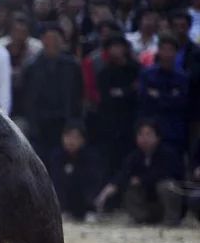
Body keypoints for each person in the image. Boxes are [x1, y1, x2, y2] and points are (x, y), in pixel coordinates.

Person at [95, 120, 185, 225]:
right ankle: (142, 218)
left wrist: (142, 179)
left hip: (167, 202)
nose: (144, 138)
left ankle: (171, 221)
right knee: (128, 186)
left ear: (158, 137)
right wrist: (107, 191)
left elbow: (167, 173)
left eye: (148, 134)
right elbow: (123, 174)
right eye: (140, 134)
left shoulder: (168, 154)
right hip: (148, 202)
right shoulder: (134, 156)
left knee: (166, 185)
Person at [20, 24, 84, 163]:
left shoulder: (72, 66)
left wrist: (74, 122)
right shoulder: (31, 67)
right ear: (42, 40)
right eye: (49, 38)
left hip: (64, 123)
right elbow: (27, 99)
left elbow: (78, 96)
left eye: (56, 38)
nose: (52, 42)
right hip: (40, 124)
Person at [93, 34, 140, 174]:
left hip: (131, 121)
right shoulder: (104, 73)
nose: (116, 51)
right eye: (112, 47)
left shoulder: (135, 69)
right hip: (110, 124)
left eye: (119, 47)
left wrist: (121, 93)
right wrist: (127, 91)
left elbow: (137, 94)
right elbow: (106, 98)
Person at [137, 36, 189, 160]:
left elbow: (181, 103)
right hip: (151, 129)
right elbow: (144, 100)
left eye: (170, 50)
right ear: (158, 51)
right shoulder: (147, 74)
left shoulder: (183, 77)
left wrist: (158, 95)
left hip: (174, 131)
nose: (167, 54)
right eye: (163, 49)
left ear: (176, 52)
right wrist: (170, 97)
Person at [47, 121, 104, 222]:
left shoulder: (91, 157)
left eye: (75, 137)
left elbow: (94, 182)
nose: (71, 141)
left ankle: (90, 210)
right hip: (64, 202)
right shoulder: (56, 156)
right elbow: (55, 181)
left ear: (83, 140)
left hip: (85, 201)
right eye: (68, 136)